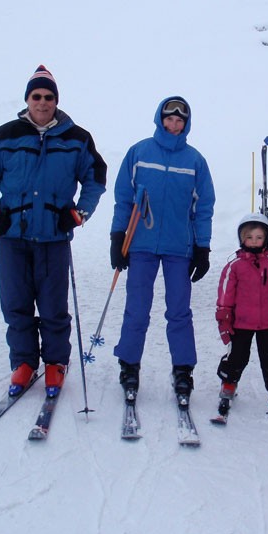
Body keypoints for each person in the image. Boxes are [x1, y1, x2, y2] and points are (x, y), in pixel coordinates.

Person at [0, 65, 107, 397]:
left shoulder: (77, 139)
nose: (42, 103)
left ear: (56, 101)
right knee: (15, 303)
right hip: (12, 236)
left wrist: (78, 215)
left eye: (48, 97)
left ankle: (55, 363)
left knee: (52, 306)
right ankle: (24, 362)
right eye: (36, 96)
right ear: (27, 99)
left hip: (54, 238)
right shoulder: (4, 136)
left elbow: (95, 180)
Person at [110, 96, 215, 407]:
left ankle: (183, 369)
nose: (174, 123)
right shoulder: (139, 153)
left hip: (178, 248)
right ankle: (129, 365)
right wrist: (118, 237)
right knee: (137, 308)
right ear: (160, 118)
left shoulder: (195, 161)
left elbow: (203, 207)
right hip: (141, 244)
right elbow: (123, 198)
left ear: (186, 123)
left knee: (179, 311)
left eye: (180, 119)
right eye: (169, 118)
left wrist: (202, 247)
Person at [214, 213, 268, 424]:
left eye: (259, 237)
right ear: (242, 238)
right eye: (249, 237)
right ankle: (229, 384)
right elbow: (225, 294)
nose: (254, 242)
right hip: (240, 324)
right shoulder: (234, 266)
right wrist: (224, 318)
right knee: (237, 357)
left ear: (266, 239)